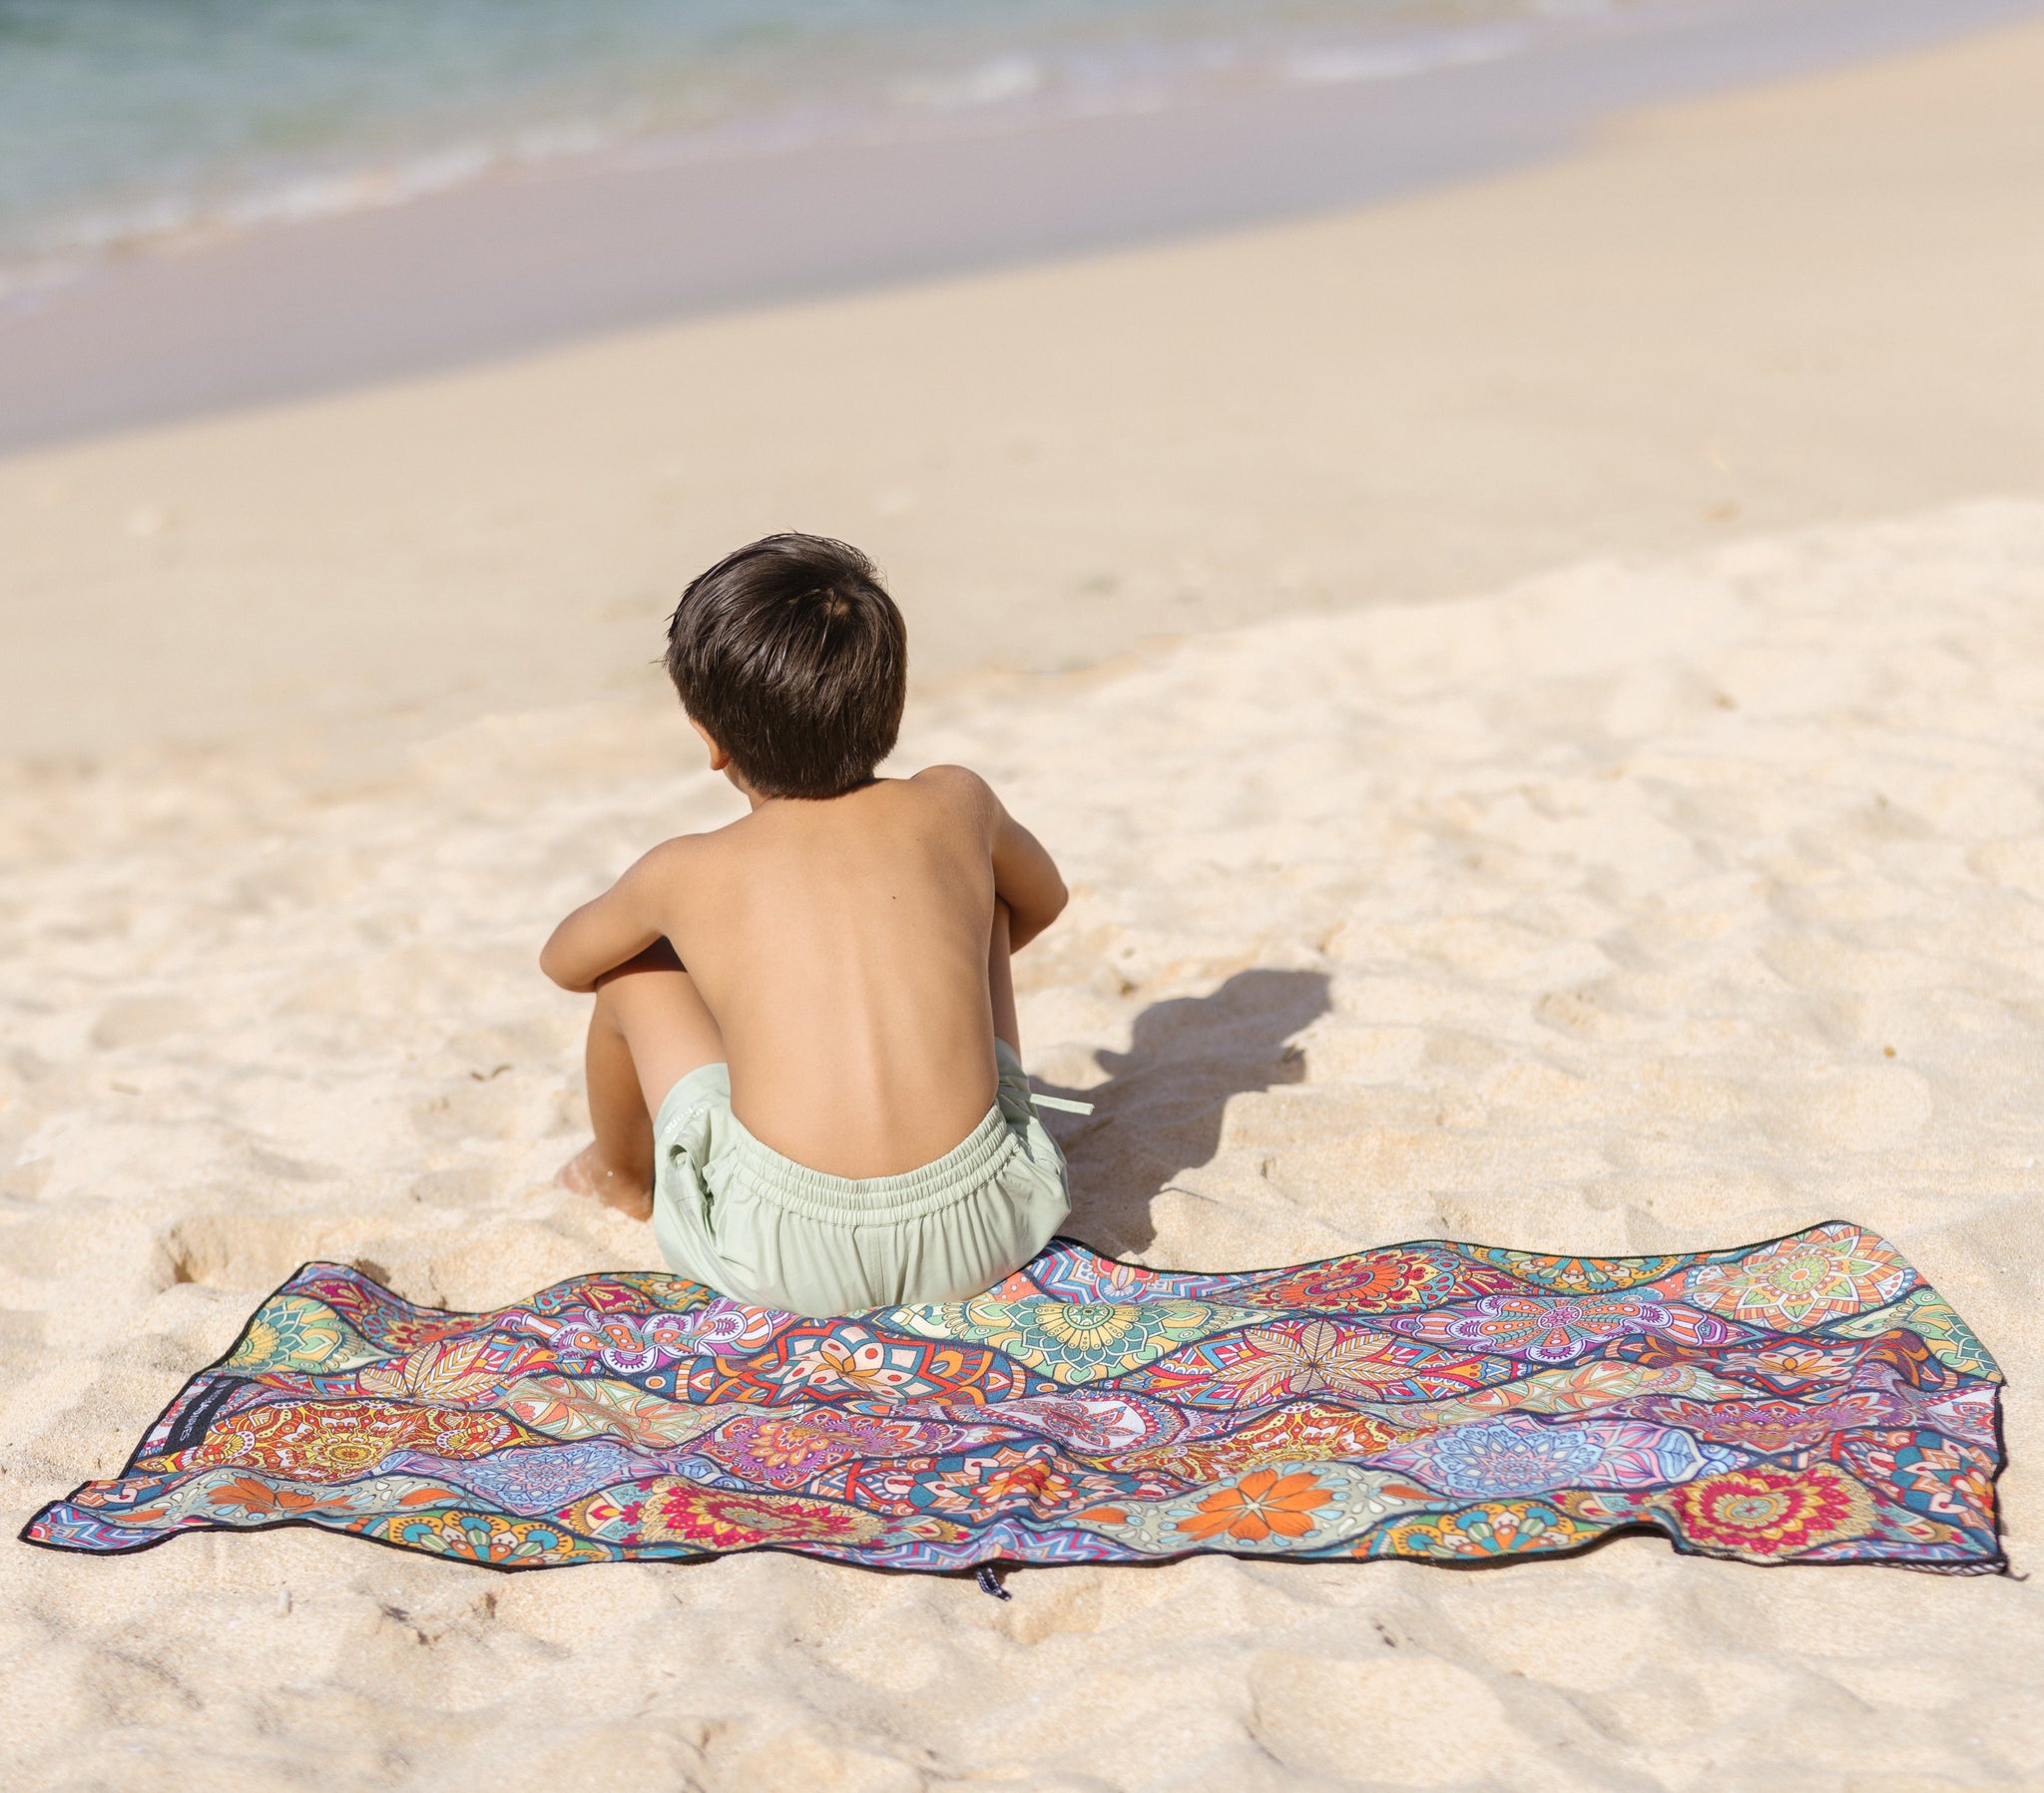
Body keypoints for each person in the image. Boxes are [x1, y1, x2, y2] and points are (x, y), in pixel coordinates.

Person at [540, 533, 1079, 1316]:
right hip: (992, 1222)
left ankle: (620, 1178)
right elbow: (1045, 899)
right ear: (891, 702)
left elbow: (564, 962)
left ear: (710, 739)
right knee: (990, 891)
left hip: (788, 1256)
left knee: (629, 971)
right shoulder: (957, 801)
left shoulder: (685, 869)